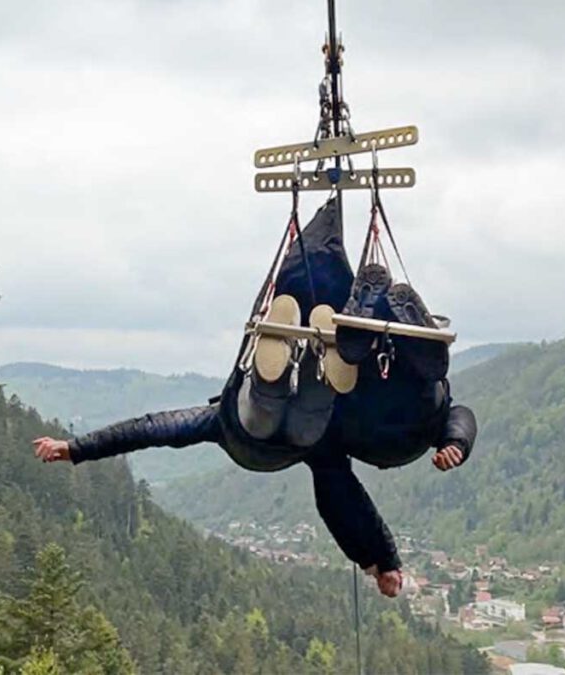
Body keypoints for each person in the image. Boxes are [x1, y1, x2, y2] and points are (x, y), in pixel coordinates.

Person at [32, 199, 478, 598]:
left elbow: (151, 429)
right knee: (341, 403)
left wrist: (75, 449)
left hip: (263, 440)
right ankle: (324, 359)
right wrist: (383, 561)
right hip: (344, 429)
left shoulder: (225, 422)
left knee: (279, 412)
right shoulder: (330, 452)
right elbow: (344, 506)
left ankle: (304, 364)